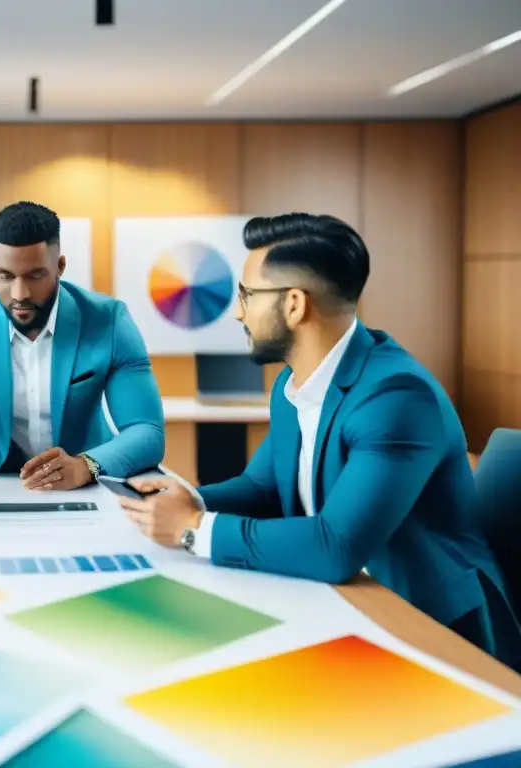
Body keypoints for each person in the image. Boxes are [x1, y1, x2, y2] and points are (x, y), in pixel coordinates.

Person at [116, 212, 521, 668]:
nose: (236, 311)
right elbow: (263, 489)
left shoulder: (396, 396)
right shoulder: (293, 386)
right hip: (346, 601)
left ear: (293, 305)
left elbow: (337, 548)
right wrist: (183, 499)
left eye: (247, 295)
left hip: (434, 629)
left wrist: (193, 529)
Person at [0, 201, 165, 494]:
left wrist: (87, 465)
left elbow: (147, 431)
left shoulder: (109, 320)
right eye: (5, 276)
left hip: (87, 479)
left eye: (34, 275)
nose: (20, 294)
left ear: (60, 267)